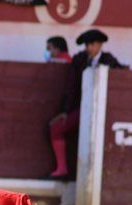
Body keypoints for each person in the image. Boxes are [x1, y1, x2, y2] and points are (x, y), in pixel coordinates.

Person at [48, 29, 124, 179]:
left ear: (100, 44)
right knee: (56, 128)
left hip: (105, 113)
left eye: (92, 44)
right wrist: (64, 110)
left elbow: (120, 84)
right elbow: (70, 86)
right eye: (87, 45)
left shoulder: (110, 61)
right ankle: (62, 168)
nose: (89, 48)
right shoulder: (79, 60)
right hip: (82, 109)